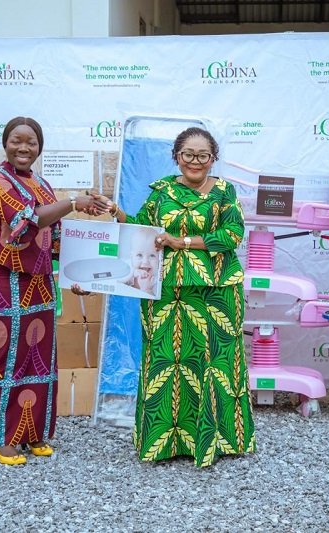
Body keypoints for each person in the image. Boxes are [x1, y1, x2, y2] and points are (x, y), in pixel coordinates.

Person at [107, 126, 256, 467]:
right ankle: (165, 442)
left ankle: (217, 440)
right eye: (188, 154)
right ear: (176, 157)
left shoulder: (224, 193)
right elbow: (141, 230)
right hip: (166, 292)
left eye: (203, 156)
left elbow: (231, 235)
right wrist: (117, 213)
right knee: (167, 363)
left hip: (216, 291)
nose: (195, 162)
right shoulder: (160, 192)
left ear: (213, 159)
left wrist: (181, 242)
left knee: (214, 365)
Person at [0, 116, 109, 465]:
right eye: (17, 140)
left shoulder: (42, 184)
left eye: (31, 142)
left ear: (39, 148)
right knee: (5, 358)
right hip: (2, 279)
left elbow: (56, 237)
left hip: (39, 281)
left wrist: (80, 276)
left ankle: (31, 434)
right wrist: (73, 202)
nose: (24, 147)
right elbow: (25, 221)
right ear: (5, 143)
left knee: (38, 357)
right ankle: (1, 438)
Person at [122, 227, 160, 297]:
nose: (145, 261)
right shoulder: (127, 267)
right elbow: (116, 281)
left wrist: (148, 289)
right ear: (132, 257)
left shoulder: (156, 279)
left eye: (152, 255)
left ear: (159, 258)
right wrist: (131, 273)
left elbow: (153, 300)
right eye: (139, 255)